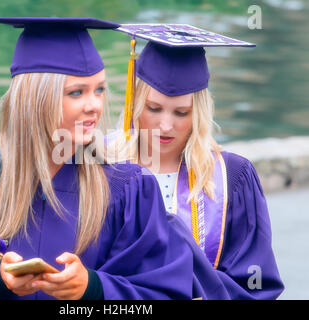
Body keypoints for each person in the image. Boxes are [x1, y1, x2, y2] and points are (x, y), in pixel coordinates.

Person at [0, 17, 203, 300]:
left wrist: (94, 289)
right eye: (77, 93)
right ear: (35, 99)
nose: (94, 106)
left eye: (99, 90)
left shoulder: (128, 190)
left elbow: (160, 293)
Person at [108, 23, 284, 299]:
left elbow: (256, 286)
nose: (165, 125)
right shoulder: (100, 164)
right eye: (154, 109)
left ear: (199, 113)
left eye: (181, 112)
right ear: (134, 103)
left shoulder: (232, 177)